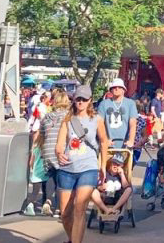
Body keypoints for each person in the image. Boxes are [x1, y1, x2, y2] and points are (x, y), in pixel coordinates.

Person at [55, 84, 109, 243]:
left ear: (90, 101)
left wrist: (103, 165)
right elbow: (59, 144)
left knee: (80, 208)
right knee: (65, 213)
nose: (80, 102)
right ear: (73, 100)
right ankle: (73, 239)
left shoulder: (96, 119)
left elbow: (104, 141)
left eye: (84, 99)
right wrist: (59, 153)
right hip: (67, 168)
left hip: (88, 167)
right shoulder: (68, 119)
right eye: (78, 99)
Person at [34, 87, 70, 216]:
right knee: (62, 179)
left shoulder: (48, 116)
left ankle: (48, 201)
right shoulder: (68, 116)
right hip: (61, 150)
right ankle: (59, 208)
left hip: (47, 149)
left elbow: (41, 134)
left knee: (50, 175)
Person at [97, 78, 139, 153]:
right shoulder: (104, 104)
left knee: (125, 164)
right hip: (107, 145)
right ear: (111, 90)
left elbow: (133, 123)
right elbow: (99, 123)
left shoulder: (130, 103)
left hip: (125, 146)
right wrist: (104, 139)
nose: (117, 89)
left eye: (119, 87)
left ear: (124, 90)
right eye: (114, 87)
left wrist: (131, 140)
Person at [90, 153, 133, 219]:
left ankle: (113, 209)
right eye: (114, 163)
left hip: (117, 198)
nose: (115, 166)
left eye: (118, 165)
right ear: (111, 163)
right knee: (93, 191)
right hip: (105, 196)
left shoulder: (121, 175)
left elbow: (126, 186)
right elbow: (98, 186)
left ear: (122, 166)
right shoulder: (105, 174)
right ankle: (106, 210)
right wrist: (101, 187)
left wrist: (122, 175)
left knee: (129, 189)